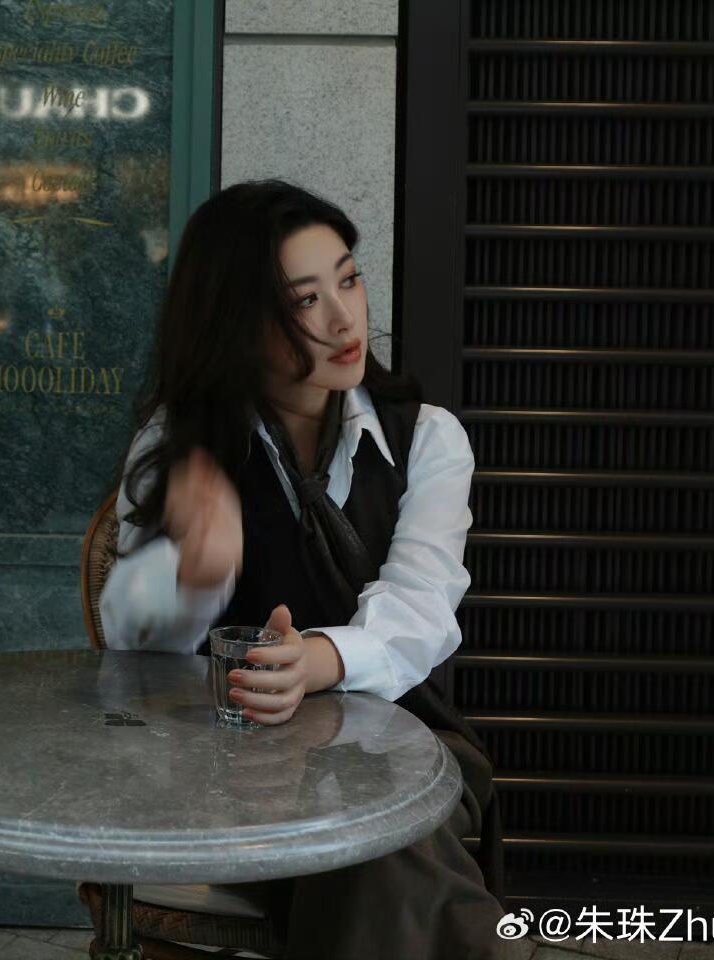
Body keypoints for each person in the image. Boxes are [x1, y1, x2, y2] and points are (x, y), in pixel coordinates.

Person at [99, 181, 514, 959]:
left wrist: (318, 660)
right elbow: (130, 645)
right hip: (234, 762)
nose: (343, 319)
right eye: (304, 301)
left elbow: (422, 608)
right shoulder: (179, 445)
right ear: (237, 321)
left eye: (348, 281)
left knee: (366, 824)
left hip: (408, 745)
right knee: (371, 841)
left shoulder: (428, 439)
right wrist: (192, 575)